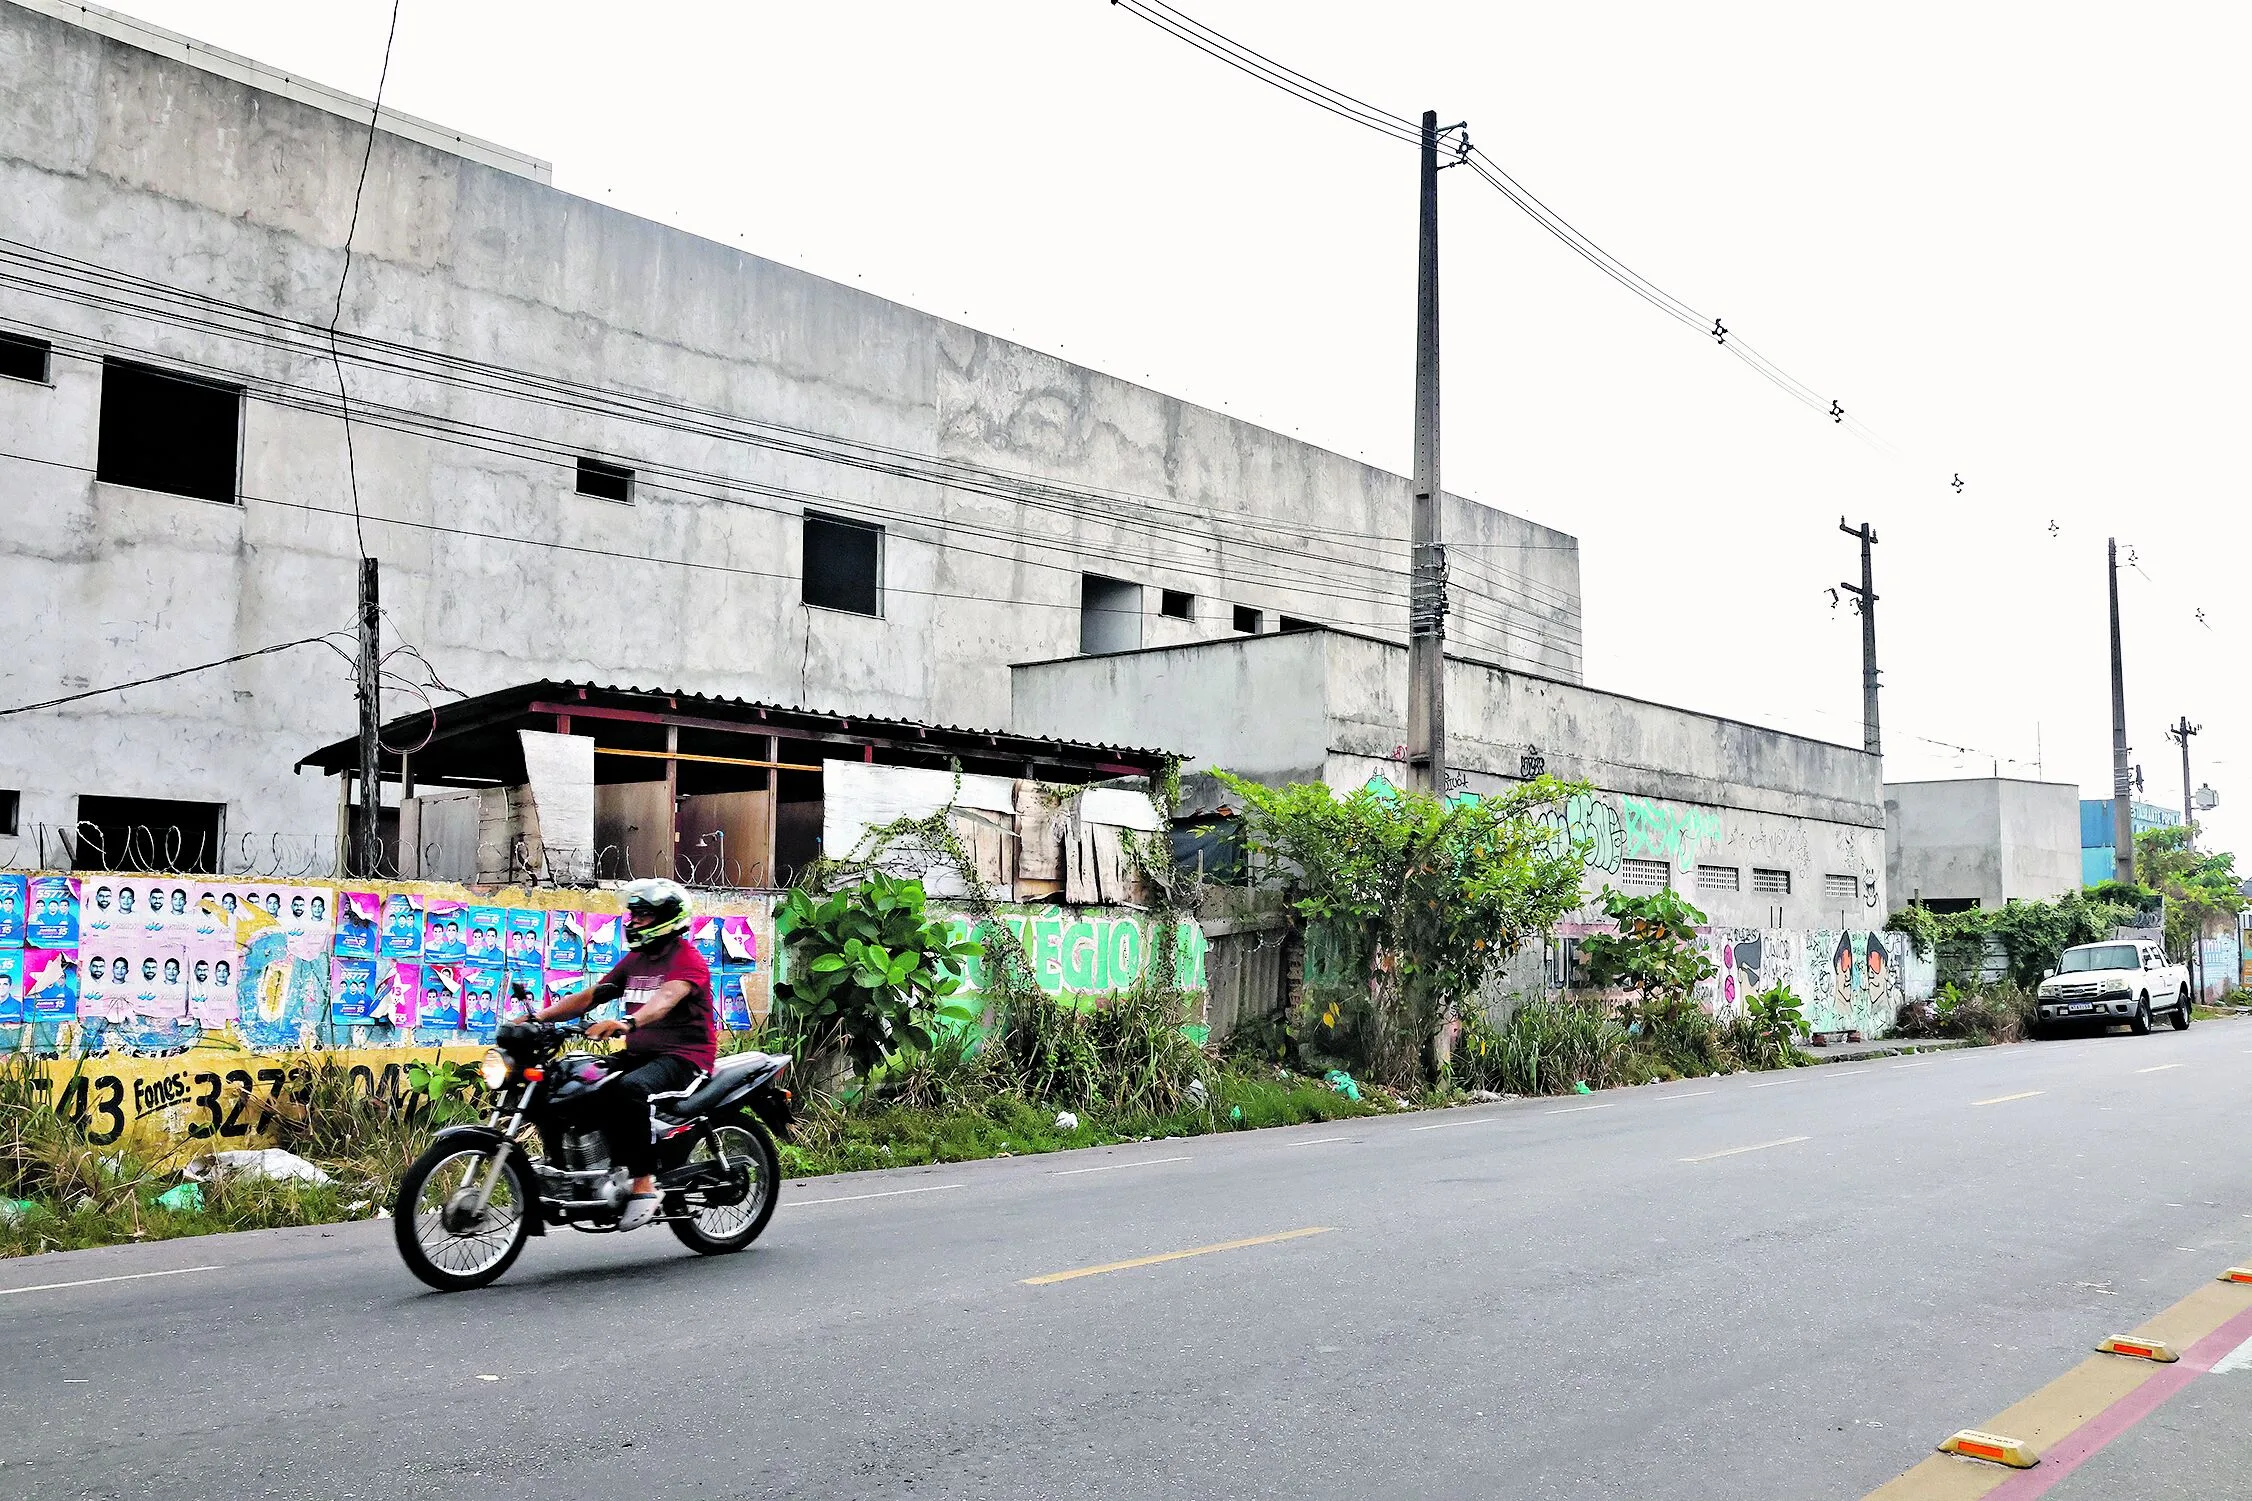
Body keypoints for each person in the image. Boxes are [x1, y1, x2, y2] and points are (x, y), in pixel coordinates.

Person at [533, 879, 715, 1232]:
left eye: (643, 916)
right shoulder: (636, 959)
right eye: (633, 914)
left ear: (667, 919)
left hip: (684, 1058)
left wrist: (628, 1022)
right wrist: (537, 1018)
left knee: (628, 1091)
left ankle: (643, 1183)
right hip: (642, 1055)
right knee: (566, 1079)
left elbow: (665, 1000)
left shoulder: (687, 961)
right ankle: (572, 1171)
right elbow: (593, 995)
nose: (633, 921)